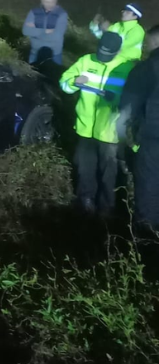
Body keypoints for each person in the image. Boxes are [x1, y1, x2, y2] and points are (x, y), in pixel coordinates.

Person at [59, 31, 136, 216]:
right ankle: (85, 200)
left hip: (109, 131)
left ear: (118, 51)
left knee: (108, 171)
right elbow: (64, 83)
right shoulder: (86, 61)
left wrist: (116, 98)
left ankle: (106, 207)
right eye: (101, 52)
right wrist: (74, 82)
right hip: (85, 128)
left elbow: (133, 99)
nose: (103, 58)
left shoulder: (127, 68)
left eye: (108, 55)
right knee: (84, 166)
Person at [117, 26, 159, 231]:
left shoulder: (147, 68)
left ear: (156, 42)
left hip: (153, 141)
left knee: (150, 191)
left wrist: (124, 141)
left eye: (148, 43)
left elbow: (127, 107)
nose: (146, 47)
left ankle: (147, 244)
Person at [22, 0, 67, 66]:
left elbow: (57, 36)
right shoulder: (34, 12)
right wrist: (45, 31)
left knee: (54, 76)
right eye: (46, 2)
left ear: (56, 1)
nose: (49, 4)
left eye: (51, 1)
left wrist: (35, 31)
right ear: (41, 1)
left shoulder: (62, 14)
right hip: (35, 52)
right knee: (32, 76)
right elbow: (25, 31)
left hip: (54, 53)